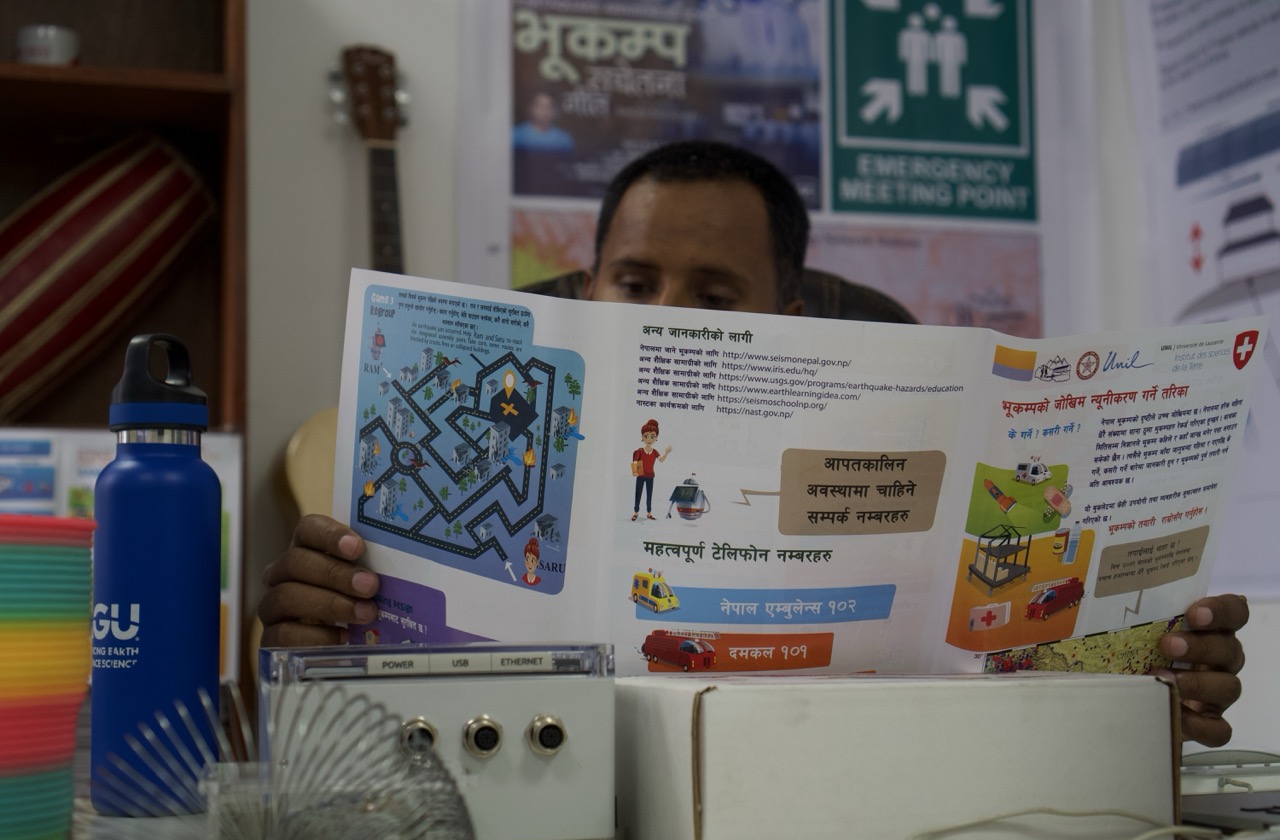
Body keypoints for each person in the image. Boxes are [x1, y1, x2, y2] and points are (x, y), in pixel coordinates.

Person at [259, 140, 1250, 748]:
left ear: (787, 314)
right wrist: (315, 643)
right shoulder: (474, 450)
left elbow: (972, 696)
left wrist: (1139, 684)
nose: (663, 313)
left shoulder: (884, 472)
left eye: (714, 293)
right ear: (586, 288)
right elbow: (361, 740)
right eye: (634, 281)